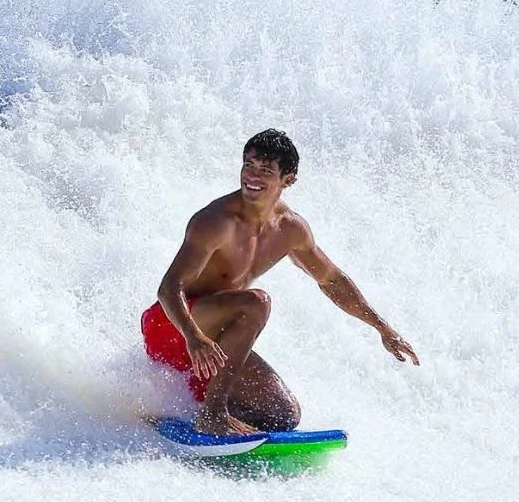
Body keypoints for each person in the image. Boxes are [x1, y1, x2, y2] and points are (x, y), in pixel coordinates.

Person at [146, 129, 419, 436]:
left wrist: (382, 328)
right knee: (257, 302)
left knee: (283, 414)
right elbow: (169, 288)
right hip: (174, 327)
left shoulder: (290, 229)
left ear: (287, 180)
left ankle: (179, 413)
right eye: (248, 165)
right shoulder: (215, 221)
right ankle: (213, 413)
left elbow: (331, 279)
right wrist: (194, 337)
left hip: (217, 345)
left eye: (265, 170)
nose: (252, 175)